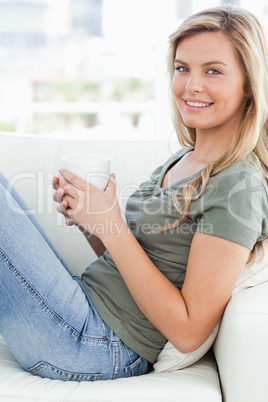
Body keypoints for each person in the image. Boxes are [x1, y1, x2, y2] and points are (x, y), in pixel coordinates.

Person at [0, 5, 267, 382]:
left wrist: (111, 226)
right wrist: (92, 223)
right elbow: (137, 260)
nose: (191, 85)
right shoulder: (186, 158)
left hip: (97, 345)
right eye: (182, 67)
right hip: (84, 307)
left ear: (249, 85)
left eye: (213, 71)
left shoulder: (239, 184)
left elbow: (189, 330)